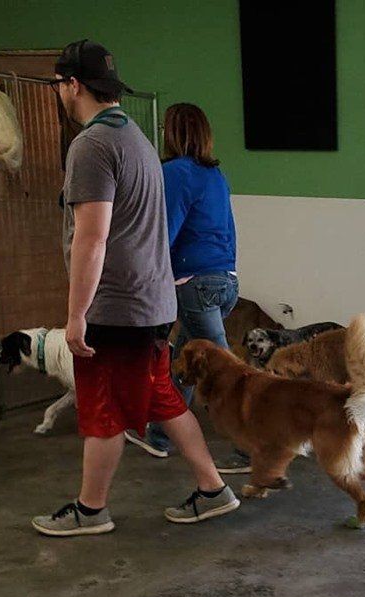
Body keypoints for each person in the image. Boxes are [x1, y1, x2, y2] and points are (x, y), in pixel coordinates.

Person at [32, 39, 239, 536]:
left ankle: (90, 509)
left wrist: (77, 313)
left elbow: (93, 235)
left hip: (117, 306)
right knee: (161, 398)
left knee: (103, 408)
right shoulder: (137, 140)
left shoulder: (91, 145)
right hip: (153, 300)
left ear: (72, 85)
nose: (60, 92)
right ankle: (214, 489)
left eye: (60, 84)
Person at [125, 102, 249, 472]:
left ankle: (252, 446)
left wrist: (141, 278)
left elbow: (163, 232)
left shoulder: (175, 172)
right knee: (184, 363)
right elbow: (227, 230)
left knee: (225, 371)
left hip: (193, 283)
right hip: (224, 281)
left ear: (172, 133)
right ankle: (160, 436)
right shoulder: (216, 174)